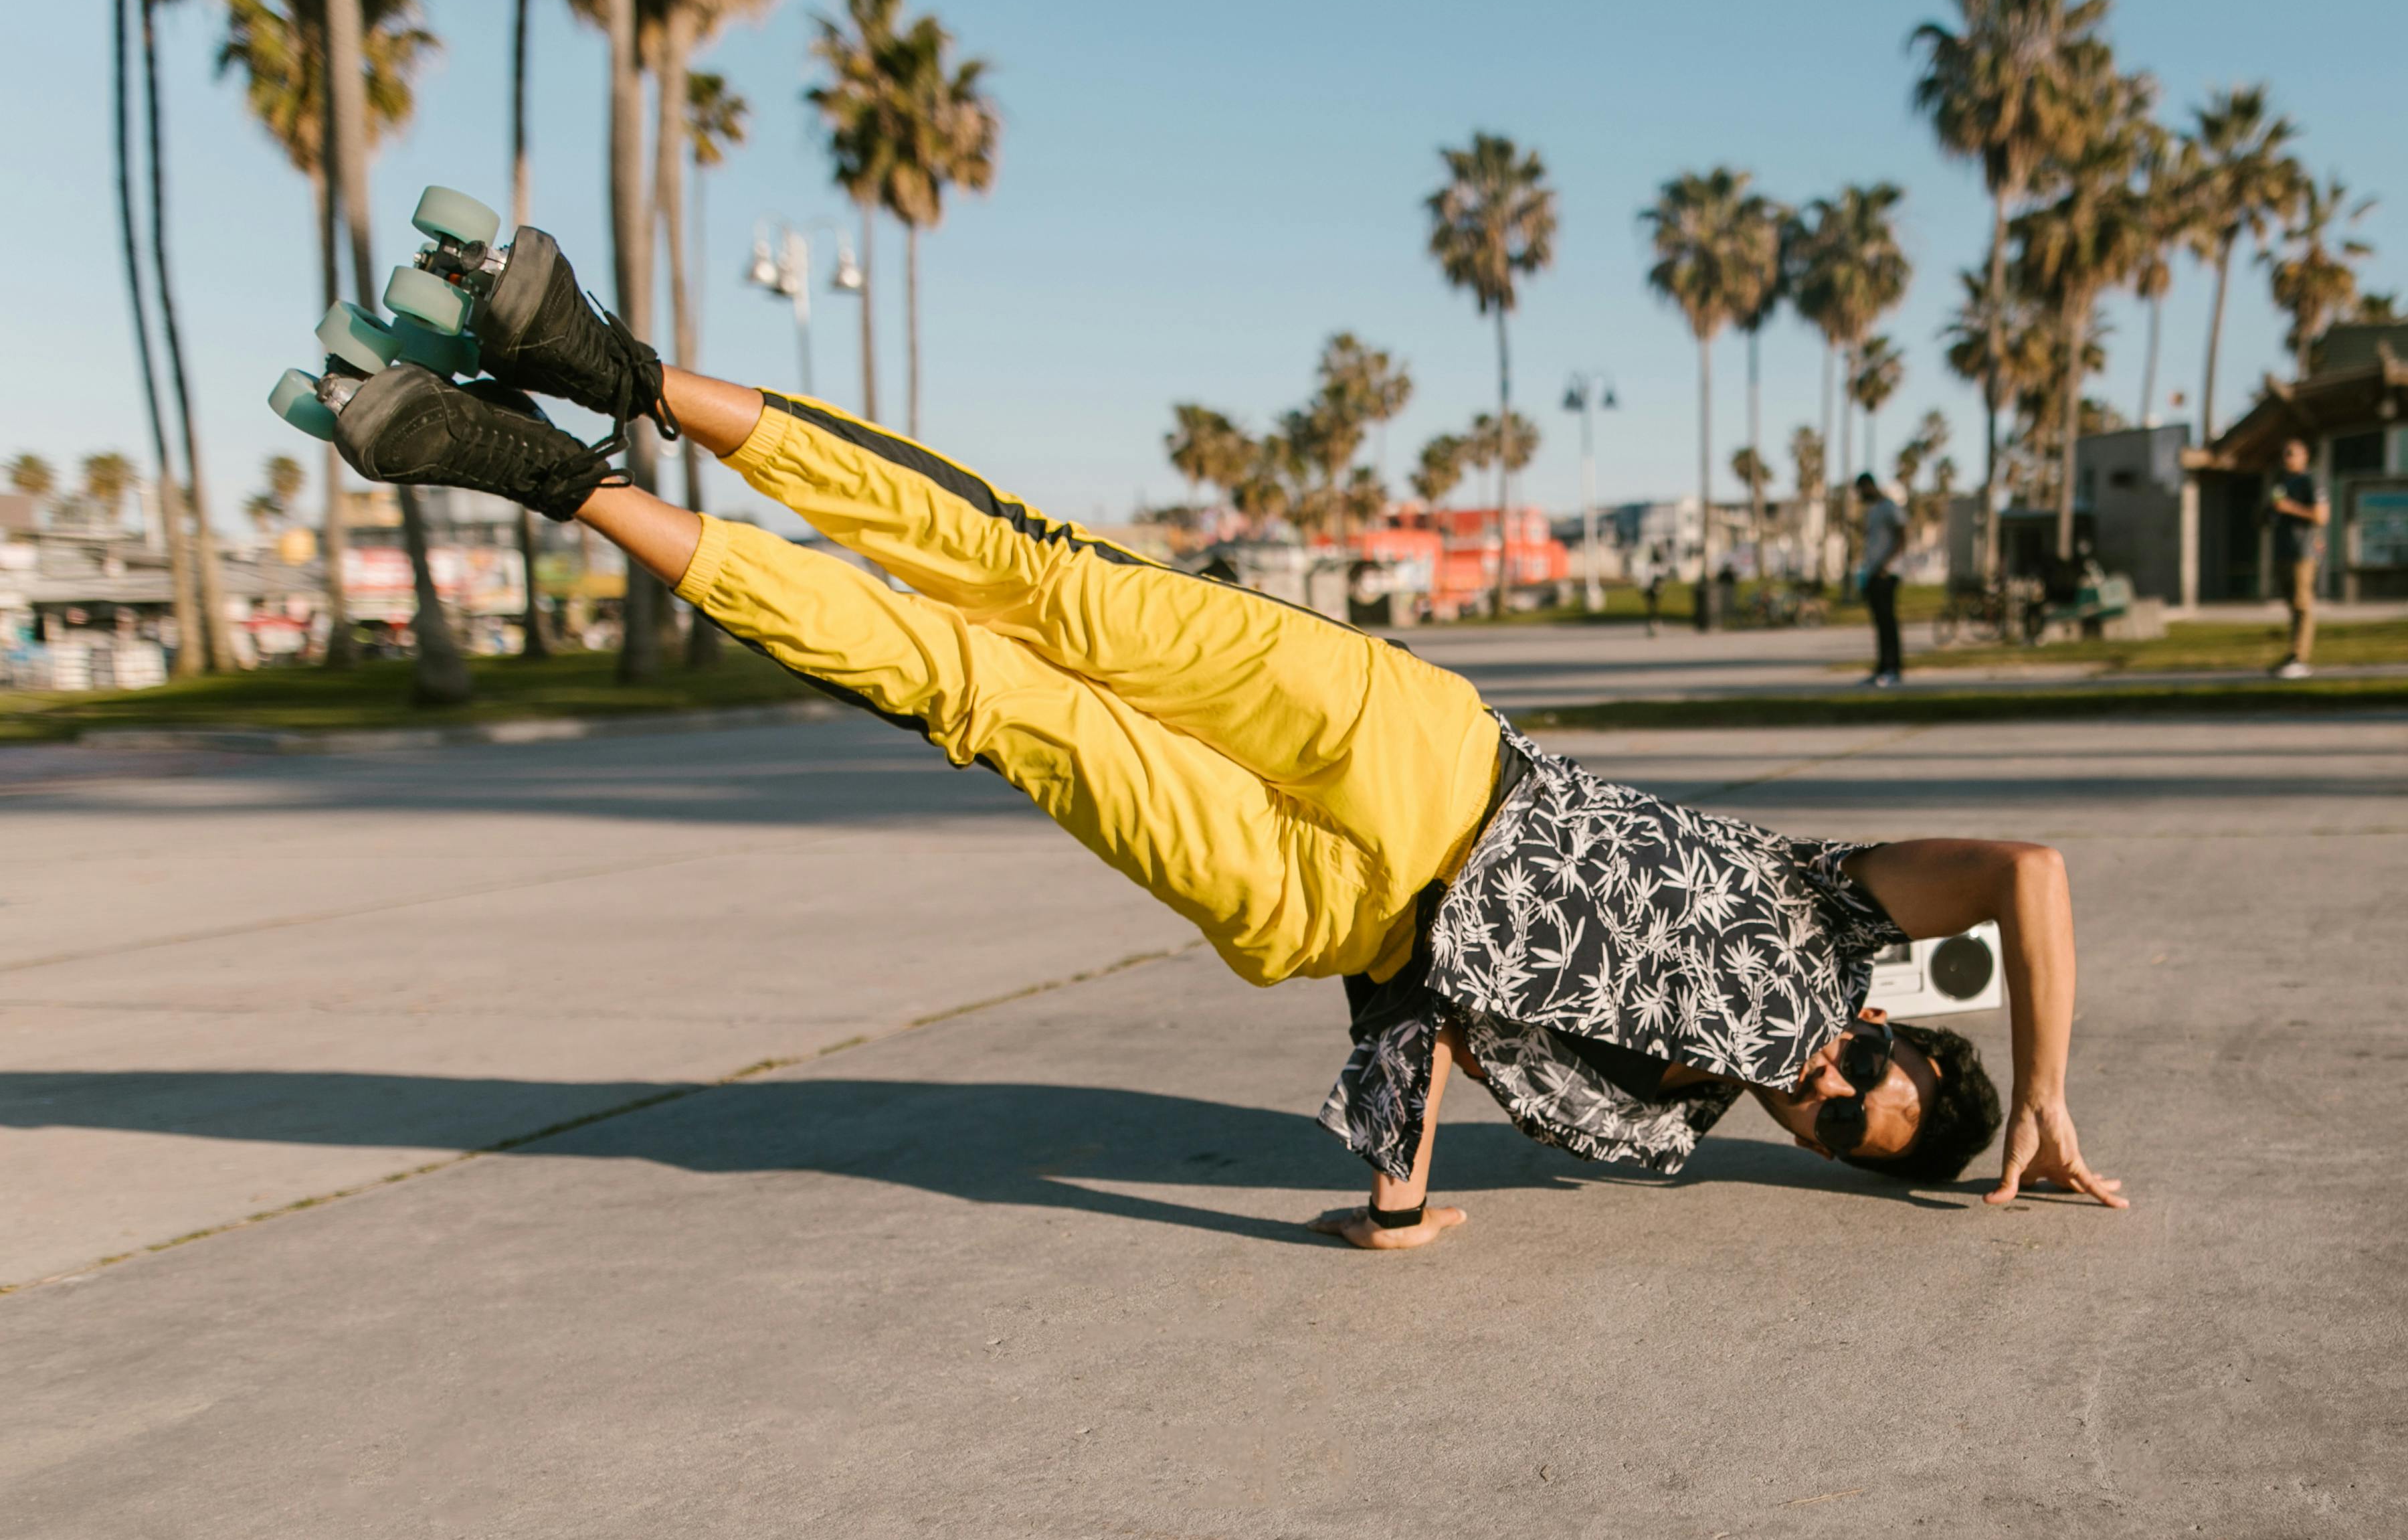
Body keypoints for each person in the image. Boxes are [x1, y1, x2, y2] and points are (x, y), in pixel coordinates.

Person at [325, 225, 2126, 1250]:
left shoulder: (1653, 1124)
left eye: (1831, 1141)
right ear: (1893, 1039)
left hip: (1340, 916)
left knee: (982, 700)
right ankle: (604, 358)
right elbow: (2032, 872)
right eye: (1859, 1097)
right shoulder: (1841, 918)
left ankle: (544, 472)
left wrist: (1397, 1199)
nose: (1817, 1101)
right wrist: (2040, 1097)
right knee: (1038, 583)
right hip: (1429, 760)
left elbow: (1440, 1023)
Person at [2269, 439, 2328, 679]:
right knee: (2292, 606)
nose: (2287, 458)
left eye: (2292, 453)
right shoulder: (2282, 482)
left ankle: (2300, 658)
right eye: (2285, 453)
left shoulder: (2311, 480)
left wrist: (2290, 508)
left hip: (2303, 551)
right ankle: (2293, 654)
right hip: (2283, 550)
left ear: (2304, 456)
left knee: (2302, 604)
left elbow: (2321, 516)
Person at [1855, 473, 1906, 687]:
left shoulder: (1889, 507)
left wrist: (1886, 564)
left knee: (1887, 622)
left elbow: (1903, 535)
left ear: (1869, 486)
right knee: (1879, 622)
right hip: (1873, 573)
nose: (1860, 495)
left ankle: (1893, 668)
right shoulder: (1873, 511)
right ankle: (1882, 667)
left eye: (1861, 490)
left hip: (1886, 573)